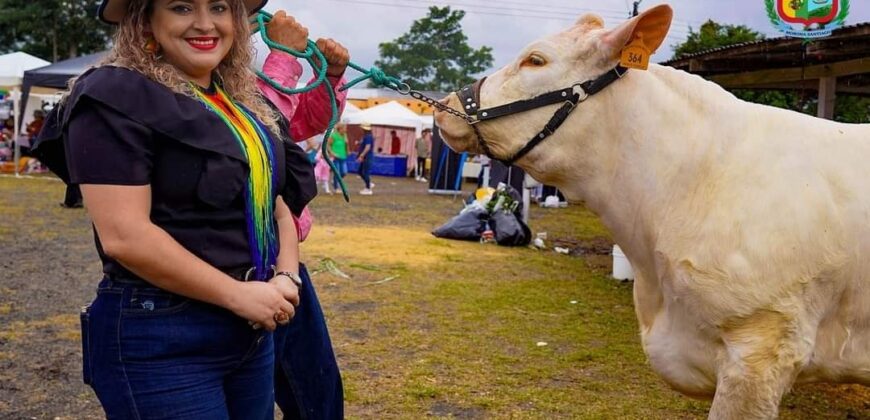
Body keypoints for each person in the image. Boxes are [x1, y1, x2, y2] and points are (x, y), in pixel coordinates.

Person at [31, 1, 349, 418]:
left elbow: (278, 205)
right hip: (163, 335)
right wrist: (240, 296)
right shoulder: (112, 93)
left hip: (252, 329)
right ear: (146, 18)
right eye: (181, 7)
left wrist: (287, 275)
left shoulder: (239, 105)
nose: (204, 23)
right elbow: (125, 236)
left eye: (218, 6)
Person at [326, 123, 348, 191]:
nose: (346, 130)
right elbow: (328, 145)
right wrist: (332, 153)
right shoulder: (334, 135)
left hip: (343, 156)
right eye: (344, 128)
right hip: (335, 157)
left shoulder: (345, 135)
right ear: (340, 129)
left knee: (344, 172)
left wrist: (347, 151)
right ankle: (336, 188)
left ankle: (336, 181)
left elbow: (346, 145)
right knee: (337, 172)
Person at [357, 123, 374, 195]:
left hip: (367, 157)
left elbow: (367, 147)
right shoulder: (366, 136)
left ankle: (368, 188)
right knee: (360, 171)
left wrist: (362, 155)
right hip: (366, 157)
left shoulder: (368, 137)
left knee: (365, 172)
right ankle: (369, 183)